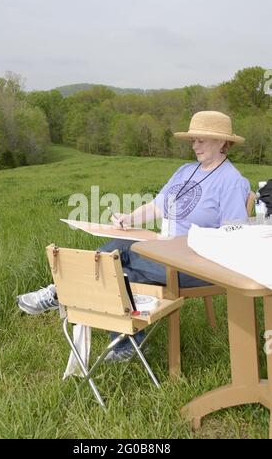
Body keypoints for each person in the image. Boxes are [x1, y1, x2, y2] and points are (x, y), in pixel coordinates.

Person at [17, 111, 251, 361]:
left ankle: (60, 290)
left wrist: (186, 245)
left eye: (201, 140)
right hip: (164, 253)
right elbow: (158, 207)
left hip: (196, 265)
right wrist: (128, 219)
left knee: (119, 254)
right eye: (192, 140)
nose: (194, 145)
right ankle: (125, 346)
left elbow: (233, 237)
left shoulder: (232, 182)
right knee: (122, 272)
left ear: (222, 142)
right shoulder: (186, 171)